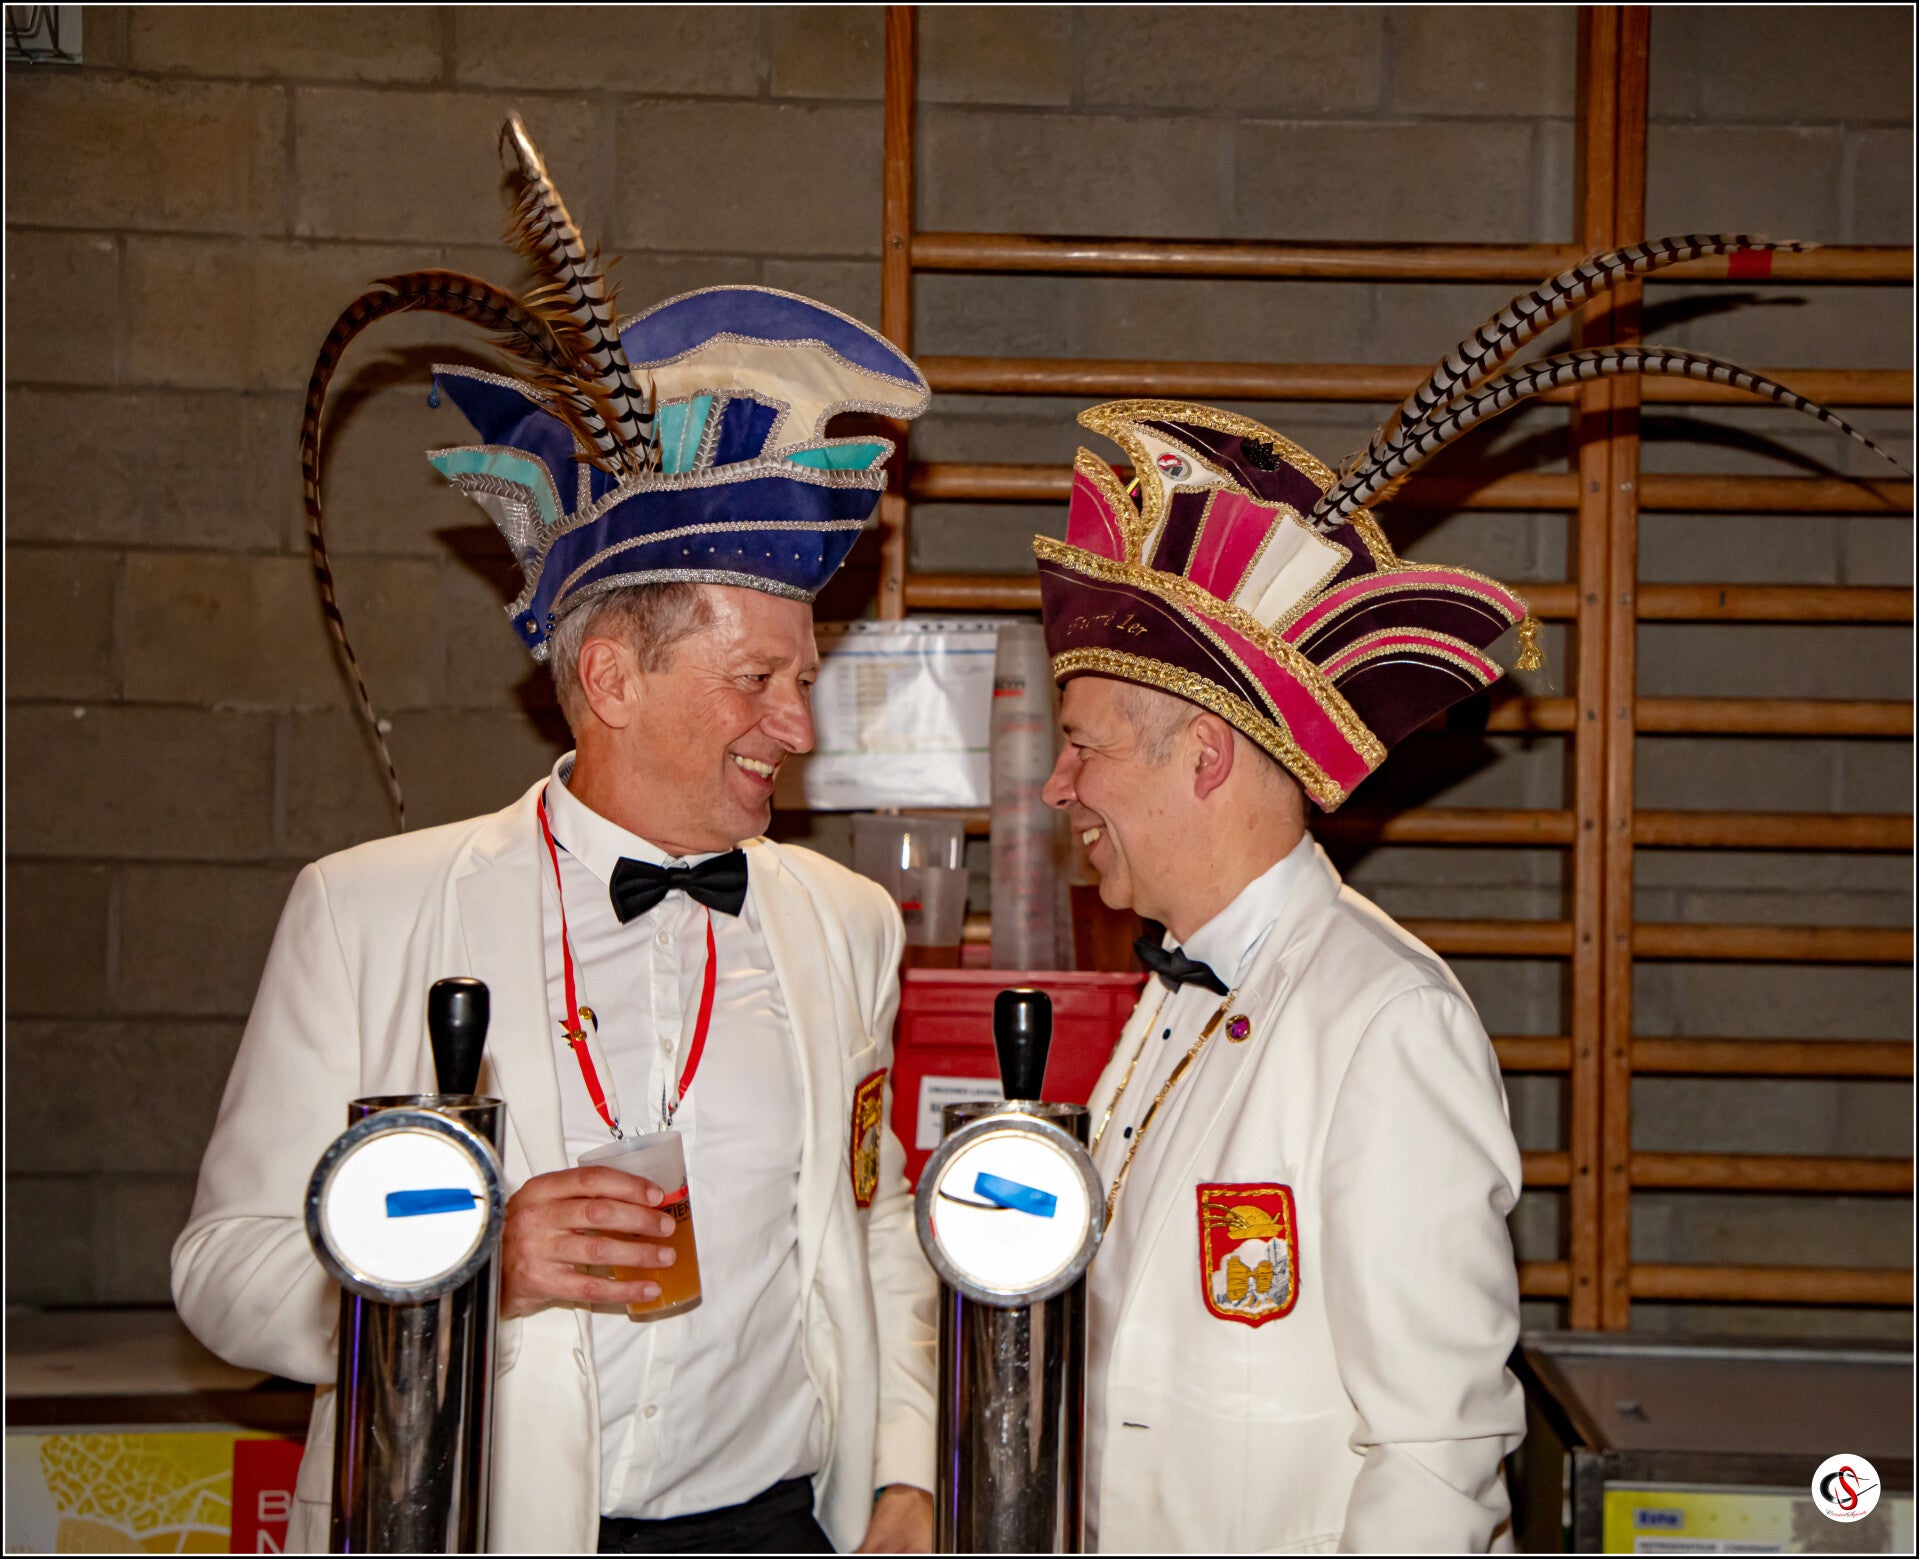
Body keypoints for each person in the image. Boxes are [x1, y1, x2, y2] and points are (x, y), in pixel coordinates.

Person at [1029, 238, 1901, 1552]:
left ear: (1202, 757)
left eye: (1081, 746)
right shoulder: (1170, 998)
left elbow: (1437, 1465)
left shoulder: (1388, 1026)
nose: (1057, 787)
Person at [172, 118, 937, 1555]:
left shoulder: (847, 924)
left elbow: (877, 1219)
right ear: (612, 678)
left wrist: (908, 1468)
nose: (798, 726)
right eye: (757, 682)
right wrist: (469, 1268)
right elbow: (224, 1268)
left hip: (774, 1530)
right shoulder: (365, 911)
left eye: (804, 680)